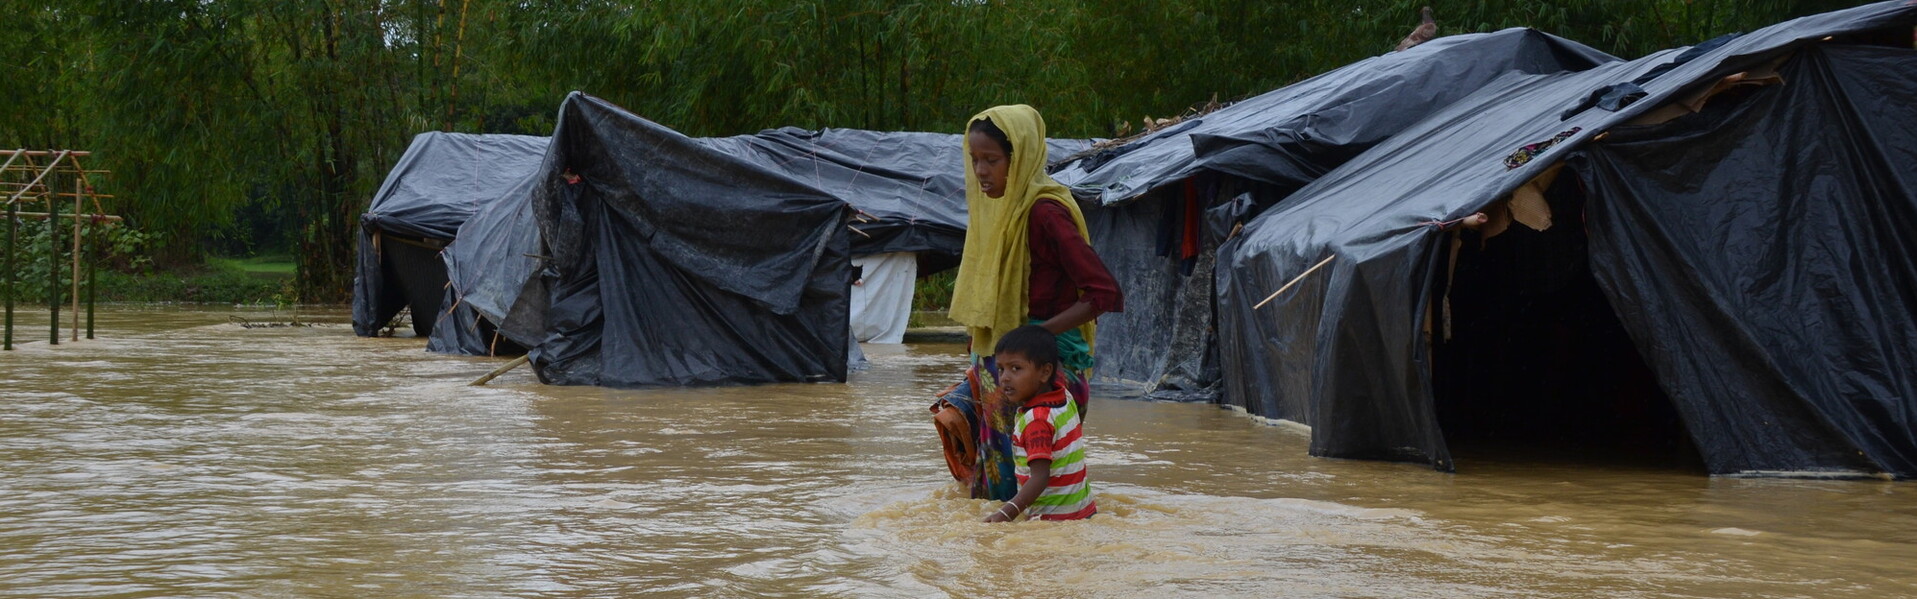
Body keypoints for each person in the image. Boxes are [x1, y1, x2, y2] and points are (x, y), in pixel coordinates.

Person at [930, 105, 1122, 502]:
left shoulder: (1045, 214)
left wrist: (1035, 334)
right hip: (1012, 363)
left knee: (1032, 490)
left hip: (1043, 369)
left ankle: (1022, 554)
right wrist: (986, 343)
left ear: (1019, 159)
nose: (981, 172)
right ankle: (1003, 558)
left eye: (992, 160)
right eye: (974, 160)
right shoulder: (1002, 212)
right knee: (1000, 485)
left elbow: (1104, 293)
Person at [983, 325, 1096, 522]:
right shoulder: (1065, 397)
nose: (1004, 378)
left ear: (1045, 373)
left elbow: (1040, 478)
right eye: (1001, 369)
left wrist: (1005, 513)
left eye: (1016, 368)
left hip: (1052, 521)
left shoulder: (1036, 421)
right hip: (1084, 512)